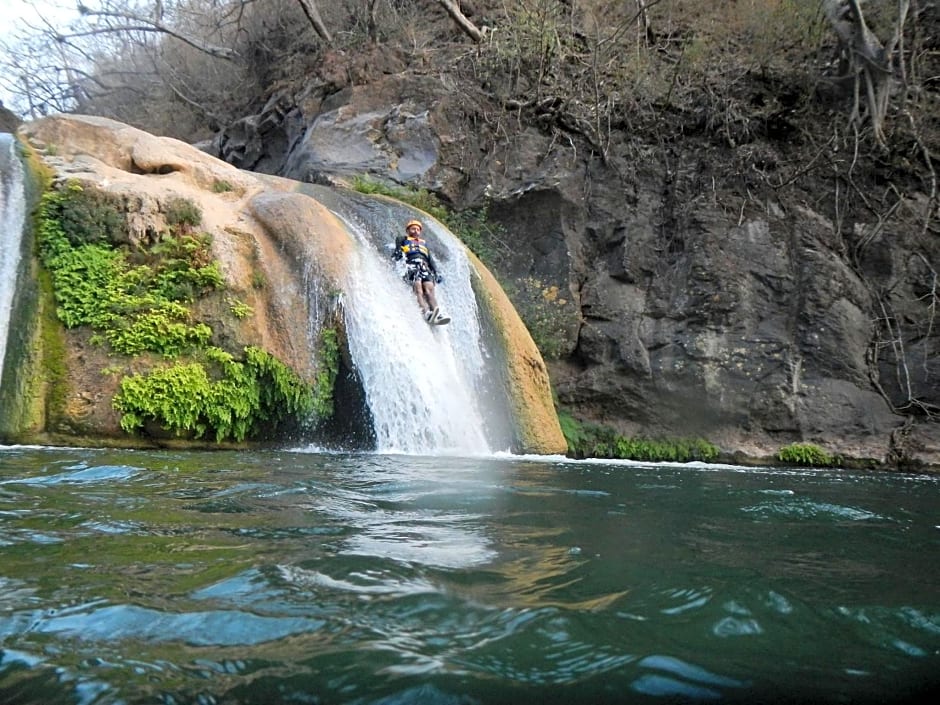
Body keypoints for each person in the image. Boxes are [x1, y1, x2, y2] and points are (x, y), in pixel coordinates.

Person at [392, 219, 446, 323]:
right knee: (418, 289)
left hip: (424, 267)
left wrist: (436, 272)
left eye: (418, 229)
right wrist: (398, 253)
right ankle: (426, 312)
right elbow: (398, 249)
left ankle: (436, 313)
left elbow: (430, 260)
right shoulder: (402, 239)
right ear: (408, 230)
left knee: (429, 290)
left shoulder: (424, 244)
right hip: (411, 266)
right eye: (413, 229)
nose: (416, 231)